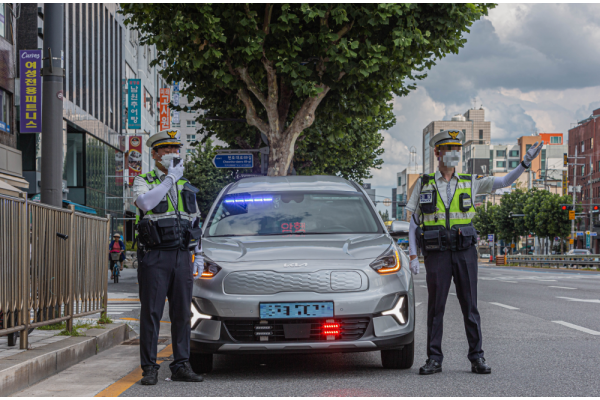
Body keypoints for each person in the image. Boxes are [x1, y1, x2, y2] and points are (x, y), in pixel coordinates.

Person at [405, 130, 543, 376]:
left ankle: (477, 357)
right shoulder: (424, 183)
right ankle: (434, 359)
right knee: (436, 308)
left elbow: (504, 182)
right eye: (449, 149)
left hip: (464, 252)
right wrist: (413, 255)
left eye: (456, 150)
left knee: (470, 306)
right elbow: (414, 223)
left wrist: (524, 164)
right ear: (437, 153)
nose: (453, 154)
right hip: (437, 253)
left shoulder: (470, 180)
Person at [133, 129, 204, 385]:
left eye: (176, 149)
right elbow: (145, 204)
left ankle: (181, 364)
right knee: (151, 312)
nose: (173, 153)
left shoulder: (187, 185)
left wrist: (198, 254)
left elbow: (195, 222)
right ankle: (149, 368)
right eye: (167, 149)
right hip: (155, 256)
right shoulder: (144, 180)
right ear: (155, 154)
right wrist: (169, 180)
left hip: (182, 256)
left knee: (183, 313)